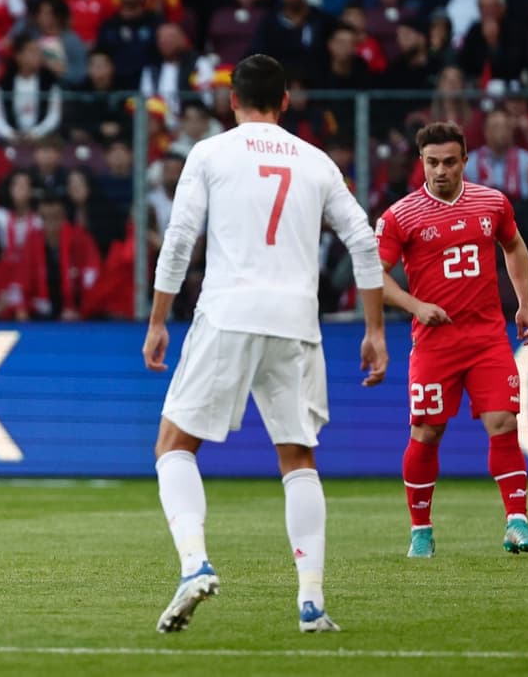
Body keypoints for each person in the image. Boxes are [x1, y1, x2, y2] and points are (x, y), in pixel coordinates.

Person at [142, 53, 387, 634]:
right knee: (298, 458)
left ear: (232, 102)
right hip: (298, 321)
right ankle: (311, 602)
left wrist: (158, 318)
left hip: (228, 311)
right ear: (285, 102)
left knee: (174, 446)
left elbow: (179, 240)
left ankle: (194, 564)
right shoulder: (316, 161)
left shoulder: (210, 152)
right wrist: (375, 329)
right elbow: (364, 241)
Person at [376, 121, 528, 560]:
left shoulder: (493, 203)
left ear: (465, 160)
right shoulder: (401, 216)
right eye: (432, 162)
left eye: (450, 161)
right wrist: (415, 306)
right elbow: (373, 278)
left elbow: (516, 247)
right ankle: (421, 530)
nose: (441, 170)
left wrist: (523, 303)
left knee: (504, 422)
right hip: (434, 342)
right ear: (421, 163)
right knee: (427, 432)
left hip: (487, 336)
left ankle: (516, 522)